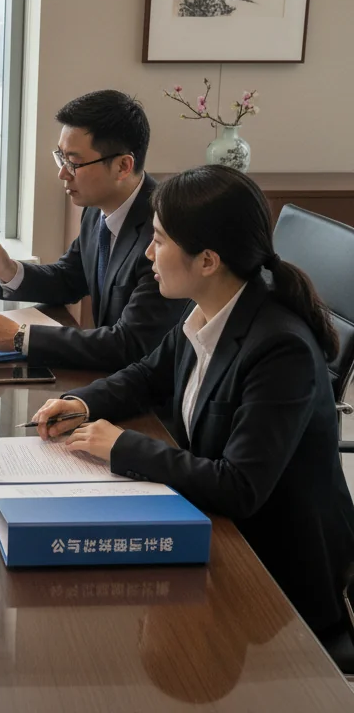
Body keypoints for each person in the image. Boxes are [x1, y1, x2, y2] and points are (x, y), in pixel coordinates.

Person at [31, 165, 354, 642]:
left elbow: (238, 487)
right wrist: (81, 402)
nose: (148, 252)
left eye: (160, 240)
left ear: (207, 260)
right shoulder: (208, 306)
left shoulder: (280, 350)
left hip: (275, 576)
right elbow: (147, 375)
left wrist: (123, 446)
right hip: (217, 527)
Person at [0, 90, 186, 371]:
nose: (62, 173)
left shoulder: (165, 234)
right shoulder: (96, 210)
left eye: (74, 163)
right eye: (61, 158)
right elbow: (69, 279)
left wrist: (20, 337)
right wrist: (8, 269)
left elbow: (130, 344)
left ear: (123, 166)